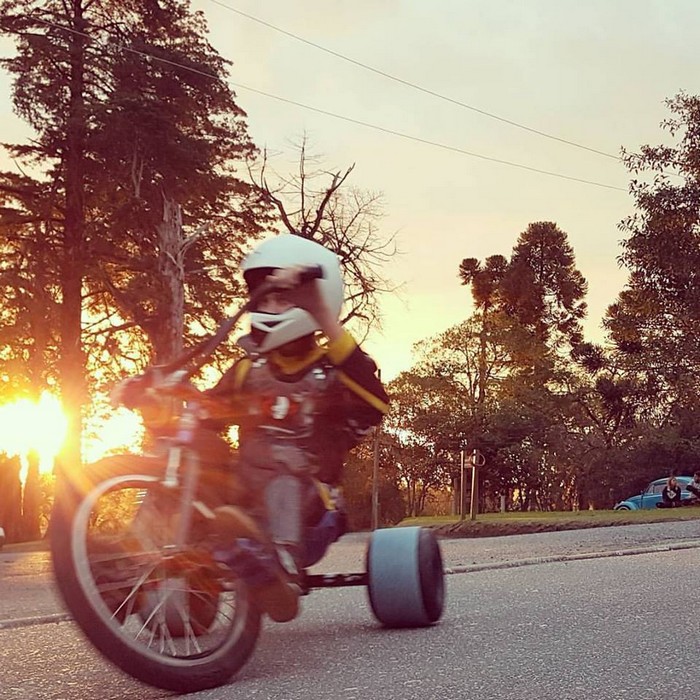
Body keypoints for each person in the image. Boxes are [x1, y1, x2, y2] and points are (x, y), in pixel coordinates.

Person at [204, 233, 390, 623]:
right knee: (193, 452)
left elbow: (375, 405)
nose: (270, 308)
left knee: (284, 466)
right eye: (265, 299)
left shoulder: (333, 371)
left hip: (312, 512)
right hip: (243, 504)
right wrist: (157, 399)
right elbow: (204, 414)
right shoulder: (247, 370)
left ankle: (282, 568)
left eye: (283, 299)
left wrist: (326, 320)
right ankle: (138, 559)